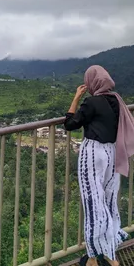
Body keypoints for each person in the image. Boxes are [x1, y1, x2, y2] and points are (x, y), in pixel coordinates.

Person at [64, 65, 134, 266]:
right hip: (113, 153)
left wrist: (76, 98)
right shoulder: (116, 100)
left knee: (93, 202)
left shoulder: (91, 102)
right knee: (110, 201)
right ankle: (112, 256)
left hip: (93, 153)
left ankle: (93, 258)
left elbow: (70, 124)